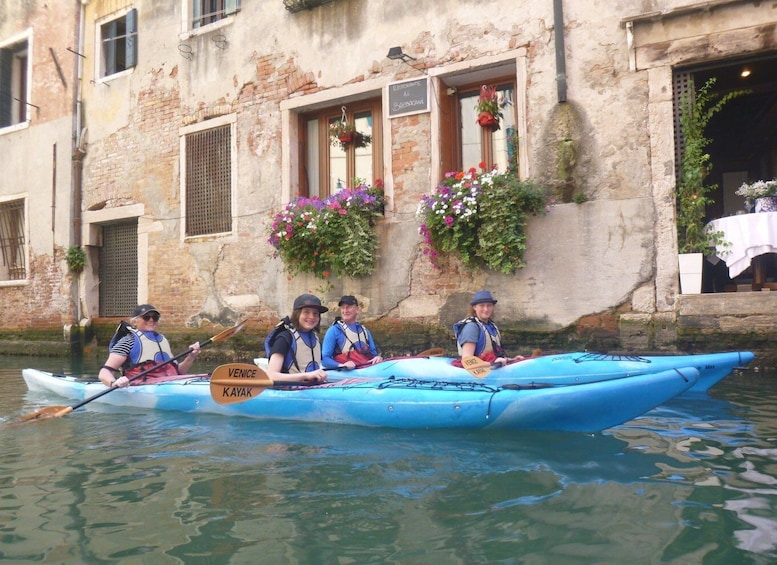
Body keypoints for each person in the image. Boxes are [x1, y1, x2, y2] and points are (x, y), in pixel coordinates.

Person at [98, 304, 201, 387]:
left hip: (170, 383)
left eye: (155, 317)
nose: (151, 320)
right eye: (146, 317)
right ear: (135, 322)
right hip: (141, 386)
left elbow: (178, 371)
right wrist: (114, 383)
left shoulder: (162, 340)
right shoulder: (128, 341)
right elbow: (104, 373)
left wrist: (191, 357)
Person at [263, 294, 329, 383]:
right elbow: (271, 375)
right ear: (297, 314)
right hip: (289, 391)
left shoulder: (315, 337)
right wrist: (306, 376)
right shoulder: (284, 338)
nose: (311, 317)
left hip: (312, 389)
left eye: (315, 313)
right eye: (306, 312)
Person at [453, 290, 525, 367]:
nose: (486, 309)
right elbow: (467, 361)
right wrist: (492, 363)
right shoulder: (471, 328)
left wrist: (511, 360)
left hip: (491, 364)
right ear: (474, 307)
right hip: (478, 370)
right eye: (482, 305)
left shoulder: (491, 325)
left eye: (489, 305)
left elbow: (496, 354)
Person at [321, 295, 384, 369]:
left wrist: (378, 358)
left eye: (348, 307)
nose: (345, 311)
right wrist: (342, 365)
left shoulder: (365, 331)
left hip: (365, 370)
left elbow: (374, 355)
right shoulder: (334, 330)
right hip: (345, 373)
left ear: (357, 309)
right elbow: (325, 359)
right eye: (343, 308)